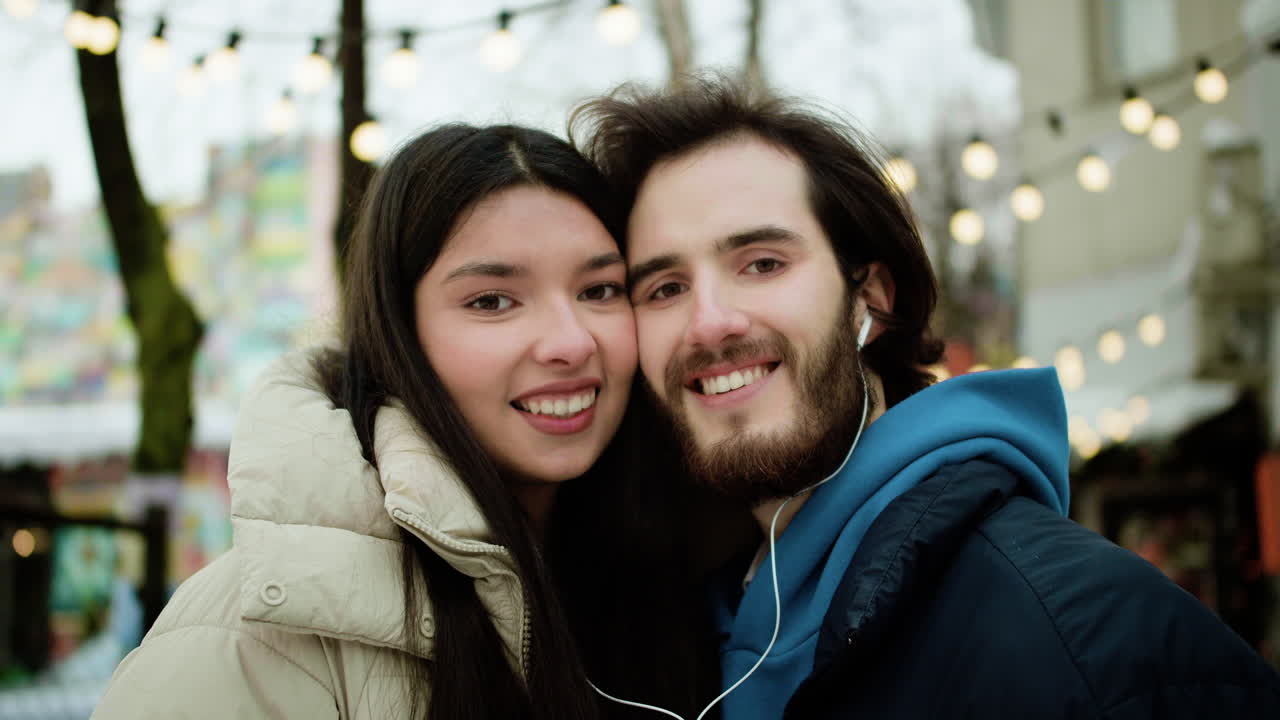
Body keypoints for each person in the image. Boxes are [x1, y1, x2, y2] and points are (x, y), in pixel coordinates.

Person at [570, 75, 1280, 719]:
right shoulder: (671, 640)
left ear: (871, 299)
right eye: (665, 288)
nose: (709, 323)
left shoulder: (1090, 641)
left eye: (762, 263)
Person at [93, 124, 714, 720]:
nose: (571, 343)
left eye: (599, 290)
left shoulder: (689, 567)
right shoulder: (252, 637)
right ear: (401, 335)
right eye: (492, 301)